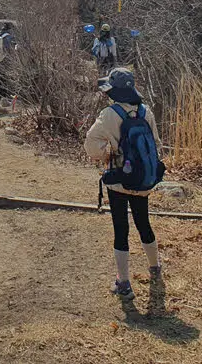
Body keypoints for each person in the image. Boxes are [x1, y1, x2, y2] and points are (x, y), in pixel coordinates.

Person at [84, 68, 162, 300]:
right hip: (142, 178)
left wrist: (106, 155)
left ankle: (124, 283)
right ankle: (155, 268)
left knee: (121, 229)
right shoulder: (145, 111)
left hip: (118, 179)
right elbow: (156, 143)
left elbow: (91, 145)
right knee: (143, 222)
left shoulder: (109, 114)